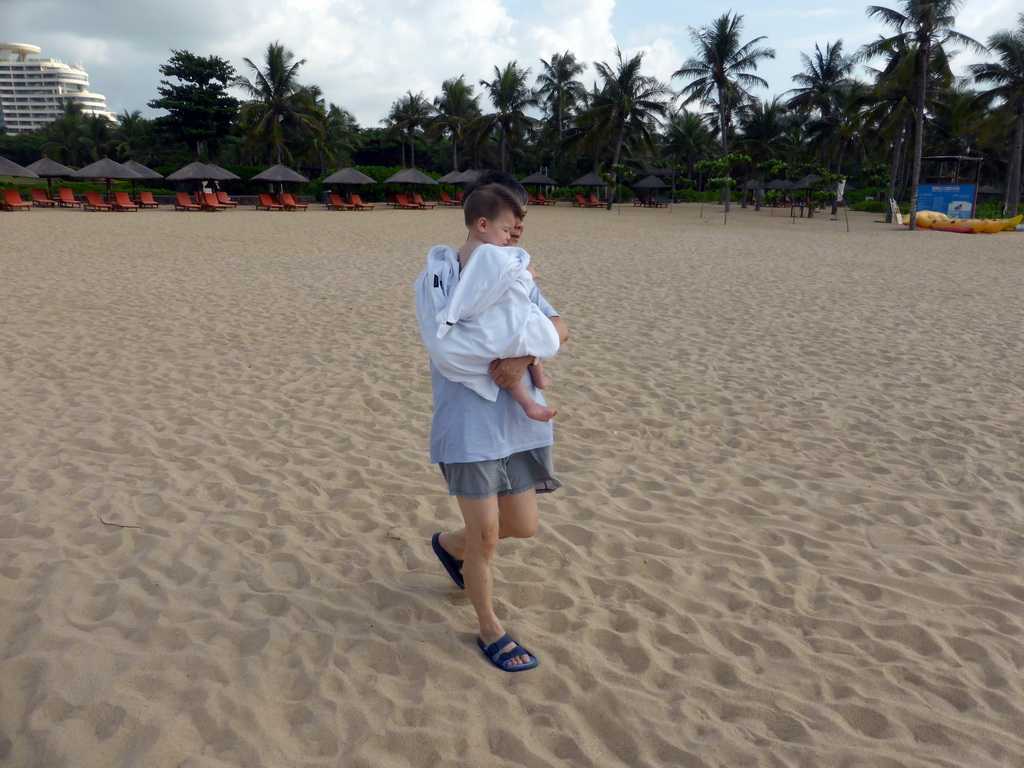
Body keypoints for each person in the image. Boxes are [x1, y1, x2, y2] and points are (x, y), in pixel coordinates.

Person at [413, 173, 569, 672]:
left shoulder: (511, 276)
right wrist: (504, 352)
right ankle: (490, 628)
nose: (519, 231)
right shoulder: (439, 282)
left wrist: (522, 360)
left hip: (516, 426)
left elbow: (558, 327)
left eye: (522, 223)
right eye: (512, 222)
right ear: (483, 224)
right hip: (467, 428)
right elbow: (447, 347)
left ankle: (446, 544)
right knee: (487, 538)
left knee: (521, 526)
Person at [421, 183, 559, 422]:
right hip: (470, 421)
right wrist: (526, 271)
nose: (511, 234)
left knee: (529, 329)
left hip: (482, 338)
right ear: (483, 224)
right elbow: (506, 268)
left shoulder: (458, 259)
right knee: (531, 328)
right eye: (506, 229)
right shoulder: (489, 254)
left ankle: (532, 391)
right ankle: (536, 384)